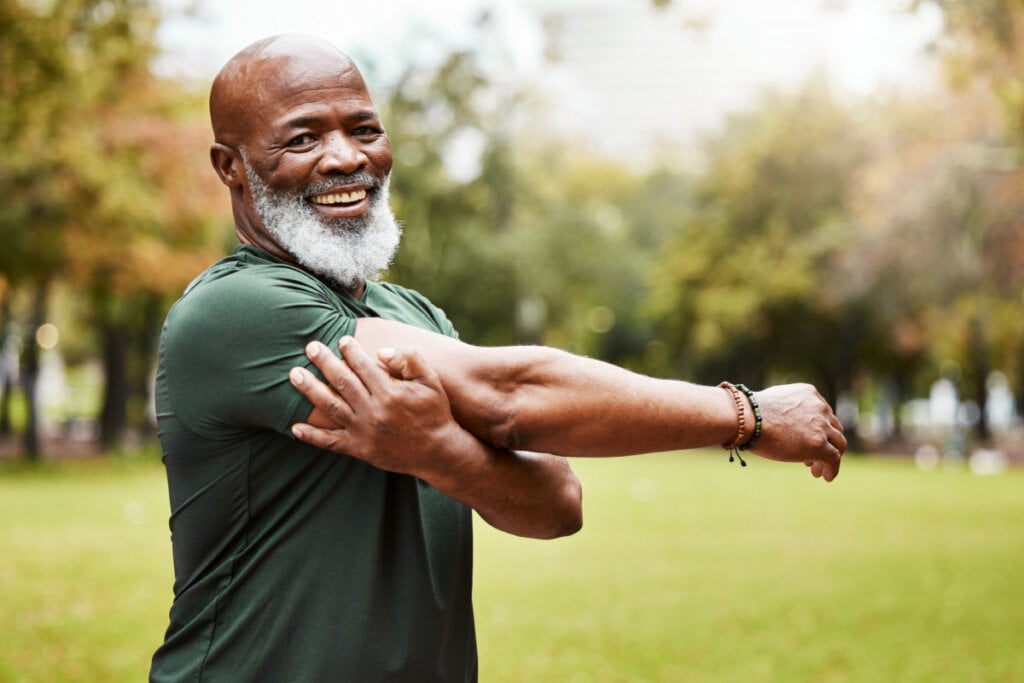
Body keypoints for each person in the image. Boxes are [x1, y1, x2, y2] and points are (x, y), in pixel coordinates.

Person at [150, 33, 845, 682]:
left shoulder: (414, 318)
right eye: (302, 137)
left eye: (364, 129)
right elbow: (511, 395)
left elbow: (557, 502)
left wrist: (440, 453)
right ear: (230, 168)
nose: (345, 157)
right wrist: (745, 414)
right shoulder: (234, 311)